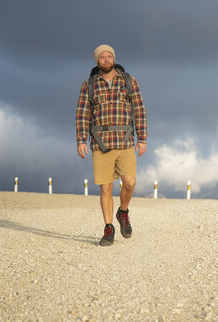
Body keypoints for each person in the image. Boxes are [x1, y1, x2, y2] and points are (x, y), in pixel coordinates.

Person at [76, 44, 147, 246]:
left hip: (125, 141)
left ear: (114, 58)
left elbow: (140, 110)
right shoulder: (88, 85)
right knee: (105, 188)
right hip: (100, 144)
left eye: (109, 56)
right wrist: (81, 140)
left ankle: (123, 211)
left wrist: (142, 138)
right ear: (97, 61)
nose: (106, 60)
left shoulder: (129, 81)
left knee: (130, 183)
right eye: (102, 57)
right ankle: (108, 228)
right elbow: (82, 115)